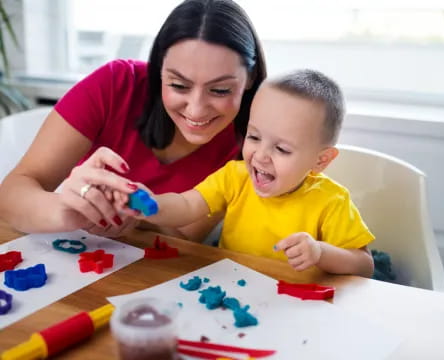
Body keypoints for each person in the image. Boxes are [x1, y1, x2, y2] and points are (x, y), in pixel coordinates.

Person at [0, 0, 266, 241]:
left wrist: (134, 216)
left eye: (220, 90)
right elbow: (11, 194)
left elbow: (183, 238)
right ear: (159, 69)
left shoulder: (255, 140)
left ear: (250, 79)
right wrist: (67, 210)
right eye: (178, 85)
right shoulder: (116, 85)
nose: (196, 110)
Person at [117, 70, 375, 276]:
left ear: (321, 160)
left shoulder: (331, 201)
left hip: (296, 304)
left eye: (282, 149)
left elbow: (364, 265)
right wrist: (150, 205)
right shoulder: (235, 177)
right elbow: (187, 204)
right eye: (253, 136)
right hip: (234, 289)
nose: (260, 155)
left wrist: (319, 252)